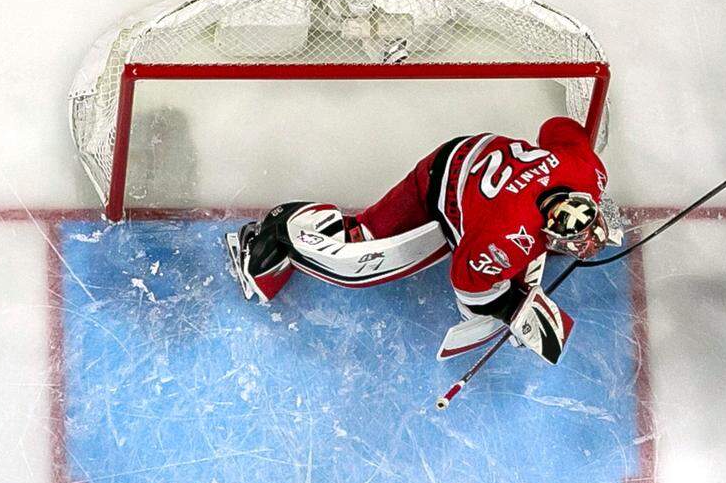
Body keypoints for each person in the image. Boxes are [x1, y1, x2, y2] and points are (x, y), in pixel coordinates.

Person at [225, 116, 616, 365]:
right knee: (359, 256)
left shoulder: (586, 171)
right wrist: (512, 306)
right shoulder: (506, 237)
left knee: (497, 260)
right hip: (441, 180)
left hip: (486, 157)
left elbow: (558, 128)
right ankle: (279, 231)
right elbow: (467, 283)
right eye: (574, 242)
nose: (589, 245)